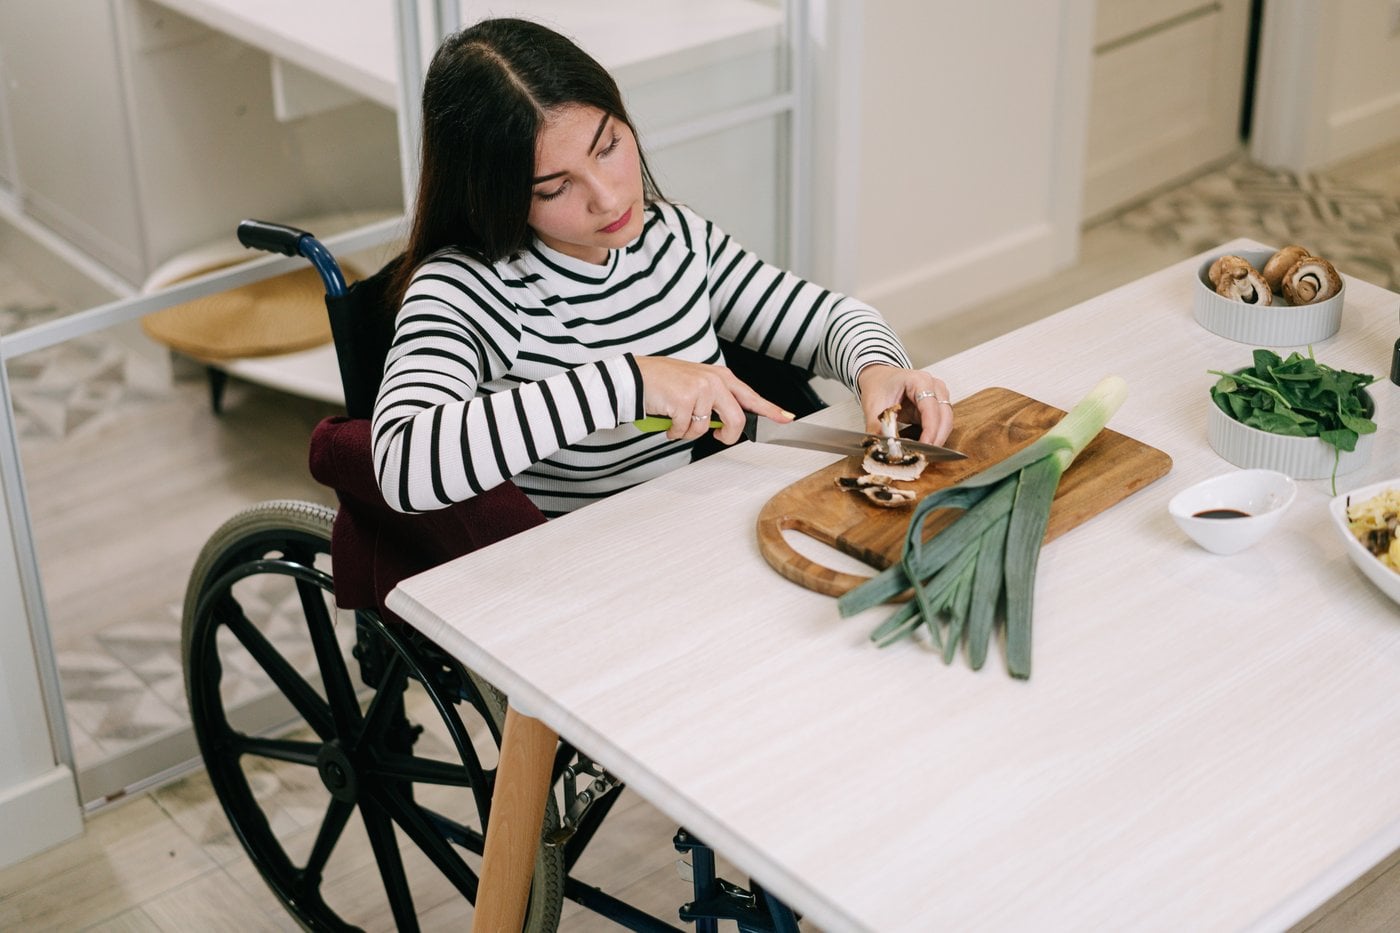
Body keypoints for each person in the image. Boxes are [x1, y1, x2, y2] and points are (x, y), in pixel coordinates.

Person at [372, 17, 954, 518]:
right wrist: (631, 382)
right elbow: (403, 467)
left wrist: (878, 368)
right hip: (560, 570)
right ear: (494, 194)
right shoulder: (469, 287)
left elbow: (826, 320)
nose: (607, 197)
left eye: (608, 147)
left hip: (681, 523)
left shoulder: (672, 237)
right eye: (554, 187)